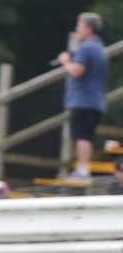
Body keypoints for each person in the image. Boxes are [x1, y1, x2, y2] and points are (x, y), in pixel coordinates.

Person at [59, 12, 109, 181]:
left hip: (83, 100)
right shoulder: (100, 47)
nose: (77, 29)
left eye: (79, 26)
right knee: (86, 135)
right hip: (96, 100)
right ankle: (83, 168)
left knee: (82, 135)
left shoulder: (87, 47)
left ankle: (82, 170)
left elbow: (77, 71)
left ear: (88, 28)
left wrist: (66, 62)